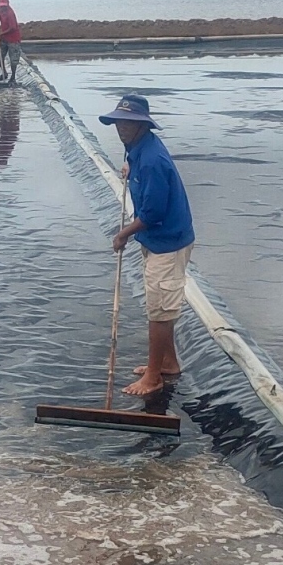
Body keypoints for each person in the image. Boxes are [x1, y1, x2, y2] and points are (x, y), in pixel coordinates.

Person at [99, 95, 195, 397]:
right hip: (157, 240)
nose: (122, 128)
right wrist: (129, 168)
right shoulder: (139, 149)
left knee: (160, 310)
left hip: (167, 241)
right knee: (158, 305)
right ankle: (168, 363)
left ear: (142, 124)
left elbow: (152, 214)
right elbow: (135, 164)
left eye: (129, 122)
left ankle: (153, 377)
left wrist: (123, 233)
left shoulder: (153, 160)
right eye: (119, 122)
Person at [0, 0, 22, 84]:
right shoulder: (0, 7)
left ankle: (13, 77)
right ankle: (4, 73)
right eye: (1, 6)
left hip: (13, 38)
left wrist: (1, 34)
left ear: (8, 4)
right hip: (4, 38)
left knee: (13, 59)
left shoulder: (10, 13)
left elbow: (12, 28)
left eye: (4, 6)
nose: (2, 8)